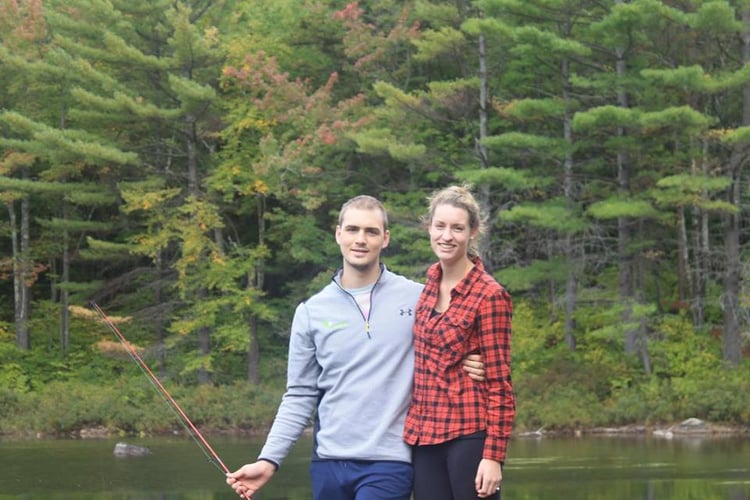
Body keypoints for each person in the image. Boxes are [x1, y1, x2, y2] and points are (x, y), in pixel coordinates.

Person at [226, 195, 485, 500]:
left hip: (390, 461)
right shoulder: (311, 312)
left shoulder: (420, 298)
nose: (360, 240)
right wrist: (269, 460)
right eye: (352, 230)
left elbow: (454, 345)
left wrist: (473, 361)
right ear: (338, 234)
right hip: (327, 463)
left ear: (385, 239)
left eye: (371, 232)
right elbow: (299, 394)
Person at [403, 185, 515, 500]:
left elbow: (500, 383)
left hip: (469, 435)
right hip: (424, 437)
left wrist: (493, 456)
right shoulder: (426, 288)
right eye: (440, 226)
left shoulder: (489, 295)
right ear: (429, 228)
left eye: (457, 228)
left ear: (473, 232)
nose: (447, 236)